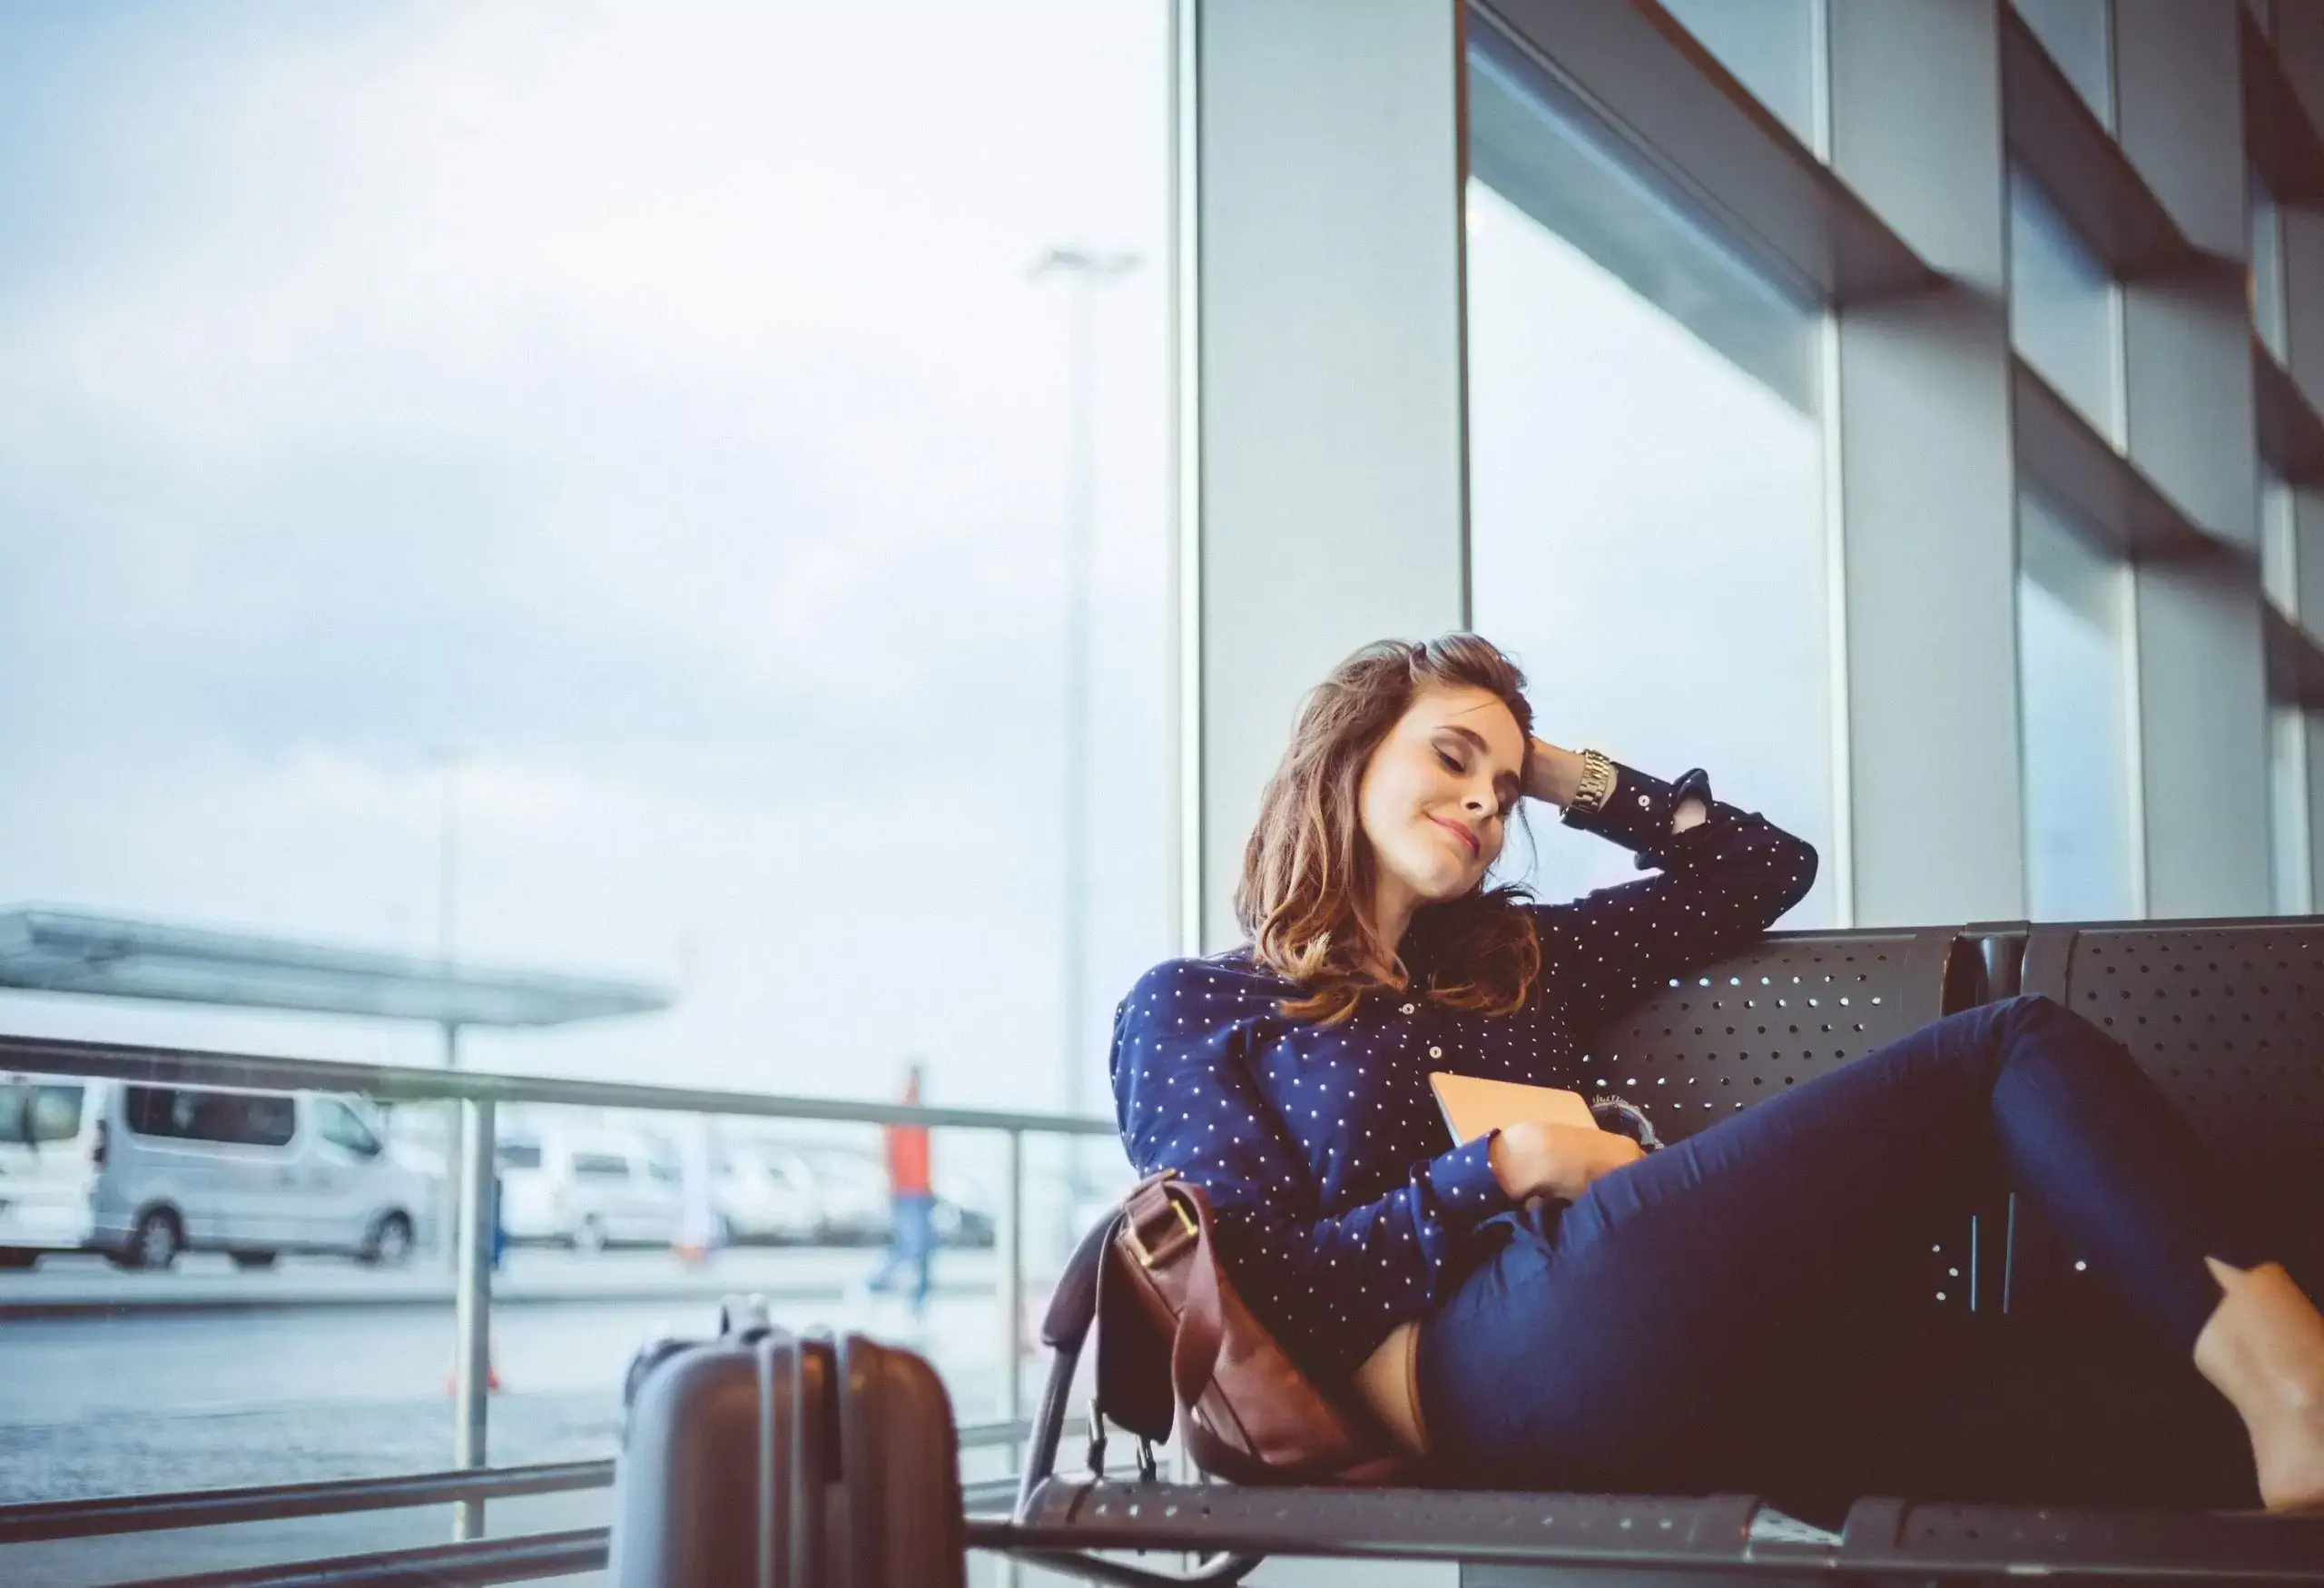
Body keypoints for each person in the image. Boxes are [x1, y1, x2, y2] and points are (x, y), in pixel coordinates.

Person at [1112, 634, 2324, 1518]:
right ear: (1347, 751)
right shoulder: (1197, 1005)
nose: (1485, 798)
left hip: (1665, 1348)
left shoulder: (1527, 962)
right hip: (1470, 1368)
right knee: (2011, 1047)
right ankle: (2295, 1384)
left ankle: (2272, 1400)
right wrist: (1504, 1165)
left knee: (2146, 1414)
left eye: (1503, 778)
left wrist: (1562, 770)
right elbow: (1262, 1286)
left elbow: (1759, 867)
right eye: (1451, 754)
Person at [864, 1062, 935, 1317]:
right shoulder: (900, 1114)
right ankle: (871, 1284)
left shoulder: (923, 1114)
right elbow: (889, 1154)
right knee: (910, 1247)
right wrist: (893, 1185)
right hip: (906, 1191)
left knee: (925, 1250)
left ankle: (918, 1304)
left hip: (923, 1191)